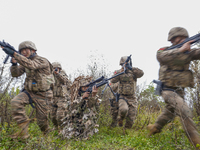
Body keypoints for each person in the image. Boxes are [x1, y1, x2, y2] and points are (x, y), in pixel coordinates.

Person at [147, 27, 200, 149]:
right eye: (179, 37)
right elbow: (161, 57)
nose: (182, 39)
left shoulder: (189, 52)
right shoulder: (163, 51)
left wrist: (185, 50)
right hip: (167, 89)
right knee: (184, 109)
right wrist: (181, 50)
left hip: (180, 91)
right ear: (172, 39)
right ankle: (197, 143)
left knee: (169, 113)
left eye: (184, 37)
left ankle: (154, 128)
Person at [1, 41, 55, 139]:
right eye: (21, 51)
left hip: (44, 94)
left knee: (42, 122)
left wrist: (15, 54)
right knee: (15, 102)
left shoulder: (42, 60)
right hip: (29, 92)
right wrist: (14, 64)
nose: (23, 52)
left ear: (33, 50)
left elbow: (32, 65)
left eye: (26, 50)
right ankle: (23, 132)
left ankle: (48, 137)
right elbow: (16, 74)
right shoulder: (24, 62)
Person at [110, 56, 144, 129]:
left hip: (132, 97)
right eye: (122, 64)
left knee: (131, 118)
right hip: (122, 96)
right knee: (123, 109)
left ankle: (126, 132)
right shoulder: (119, 72)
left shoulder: (134, 72)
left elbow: (141, 74)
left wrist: (131, 68)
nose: (124, 65)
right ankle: (120, 119)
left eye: (125, 64)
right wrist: (120, 72)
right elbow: (112, 80)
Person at [51, 62, 71, 130]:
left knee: (60, 116)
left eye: (57, 68)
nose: (55, 70)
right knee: (52, 116)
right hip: (53, 98)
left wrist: (57, 74)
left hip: (62, 98)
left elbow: (64, 81)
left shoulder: (62, 74)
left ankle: (63, 130)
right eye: (53, 68)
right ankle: (56, 129)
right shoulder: (50, 76)